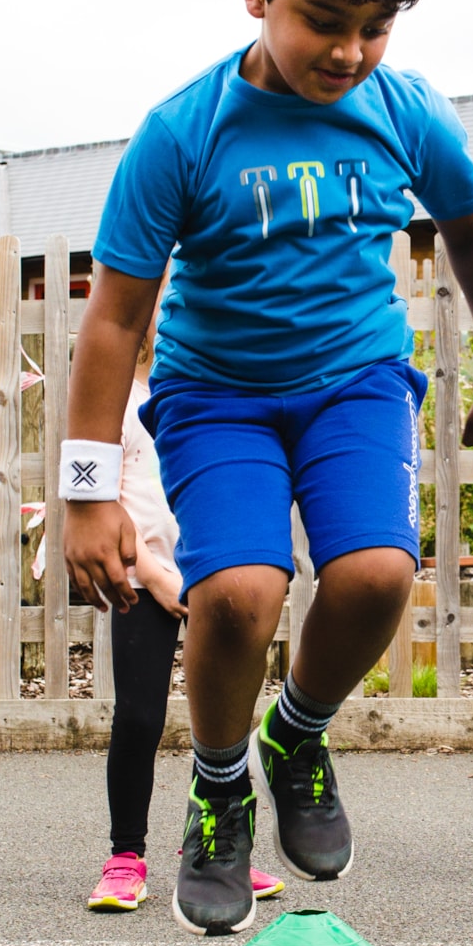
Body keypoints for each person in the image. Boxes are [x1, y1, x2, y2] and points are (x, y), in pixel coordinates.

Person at [64, 0, 473, 936]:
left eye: (374, 28)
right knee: (236, 596)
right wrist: (89, 495)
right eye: (323, 19)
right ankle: (222, 786)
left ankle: (296, 734)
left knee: (374, 574)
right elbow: (113, 321)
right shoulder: (181, 133)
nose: (348, 52)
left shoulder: (403, 110)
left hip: (355, 384)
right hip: (214, 392)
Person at [86, 302, 284, 912]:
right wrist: (153, 572)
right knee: (139, 717)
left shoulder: (218, 394)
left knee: (222, 721)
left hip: (213, 572)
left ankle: (221, 847)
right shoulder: (121, 399)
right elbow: (113, 500)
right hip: (140, 578)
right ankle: (125, 856)